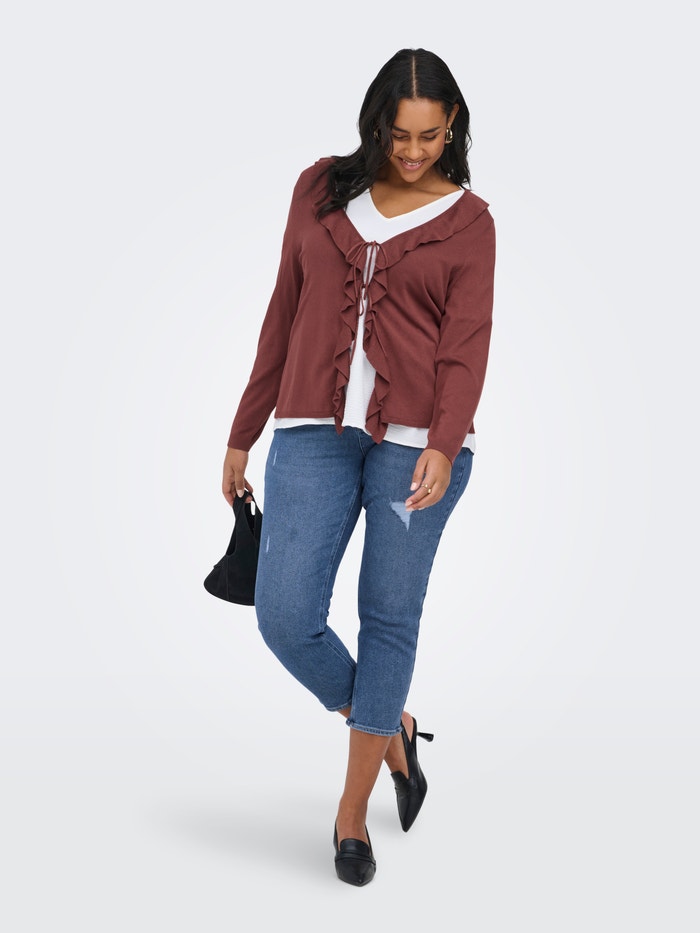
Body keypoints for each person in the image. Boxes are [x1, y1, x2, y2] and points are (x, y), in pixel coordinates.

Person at [221, 47, 495, 886]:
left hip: (419, 446)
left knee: (388, 618)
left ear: (452, 128)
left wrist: (444, 441)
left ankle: (351, 811)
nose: (412, 152)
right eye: (398, 134)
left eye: (429, 137)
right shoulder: (318, 188)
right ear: (375, 122)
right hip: (312, 428)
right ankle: (391, 726)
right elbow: (283, 309)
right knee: (284, 615)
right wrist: (242, 430)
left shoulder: (470, 222)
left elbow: (466, 346)